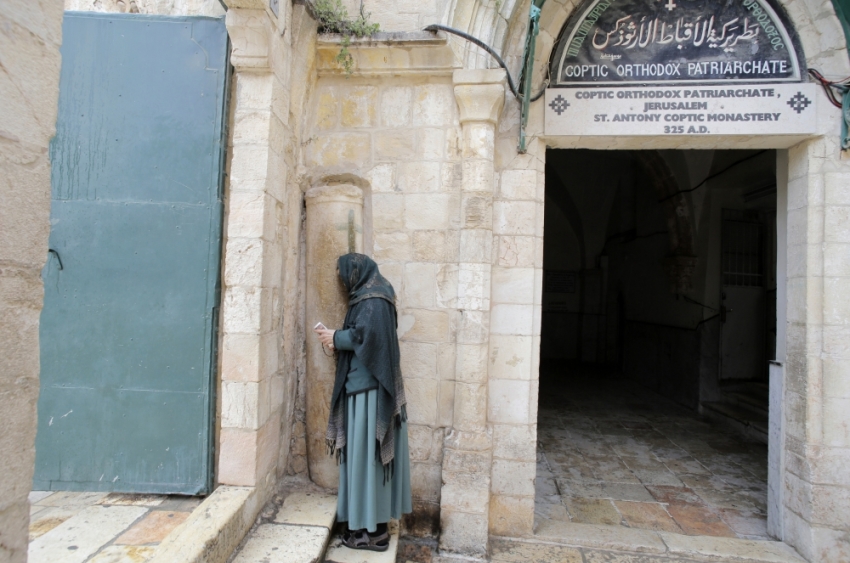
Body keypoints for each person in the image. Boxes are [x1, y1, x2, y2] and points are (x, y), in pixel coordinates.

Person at [313, 253, 412, 552]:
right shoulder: (369, 296)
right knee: (364, 461)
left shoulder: (374, 299)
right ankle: (365, 526)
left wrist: (336, 337)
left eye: (345, 275)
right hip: (361, 391)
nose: (343, 281)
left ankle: (374, 533)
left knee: (371, 461)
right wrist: (336, 339)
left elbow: (368, 339)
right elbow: (365, 337)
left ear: (357, 273)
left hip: (371, 395)